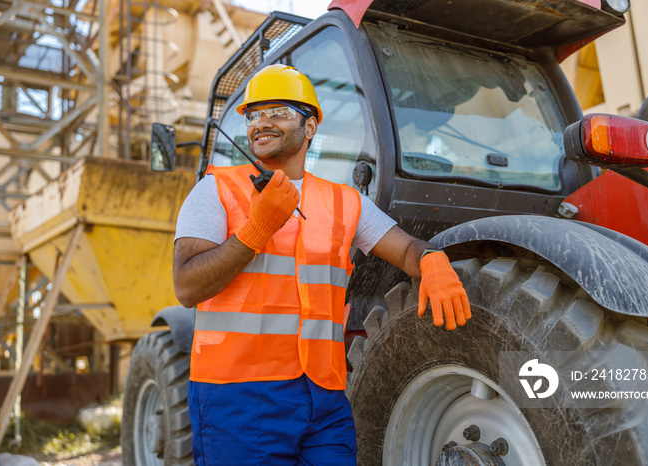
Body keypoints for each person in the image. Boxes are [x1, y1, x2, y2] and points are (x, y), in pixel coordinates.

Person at [173, 64, 471, 466]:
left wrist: (432, 260)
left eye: (277, 112)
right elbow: (187, 287)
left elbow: (405, 250)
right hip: (238, 398)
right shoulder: (216, 190)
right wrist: (257, 227)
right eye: (254, 115)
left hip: (324, 400)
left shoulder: (344, 201)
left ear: (310, 126)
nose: (261, 123)